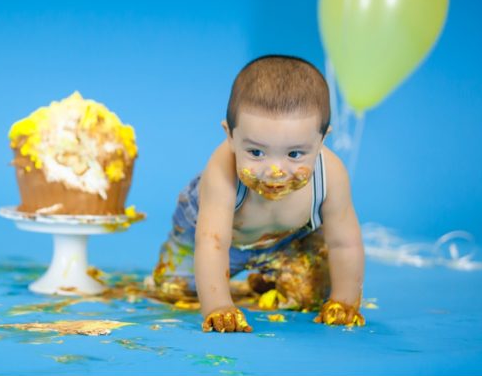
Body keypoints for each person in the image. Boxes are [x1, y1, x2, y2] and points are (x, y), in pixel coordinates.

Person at [150, 54, 365, 333]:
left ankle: (268, 277)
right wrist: (218, 307)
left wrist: (344, 301)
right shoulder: (223, 170)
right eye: (256, 152)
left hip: (288, 240)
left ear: (322, 140)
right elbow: (212, 242)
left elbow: (344, 243)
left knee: (312, 296)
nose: (275, 171)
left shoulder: (331, 175)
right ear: (230, 136)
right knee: (175, 290)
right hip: (215, 236)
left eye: (295, 154)